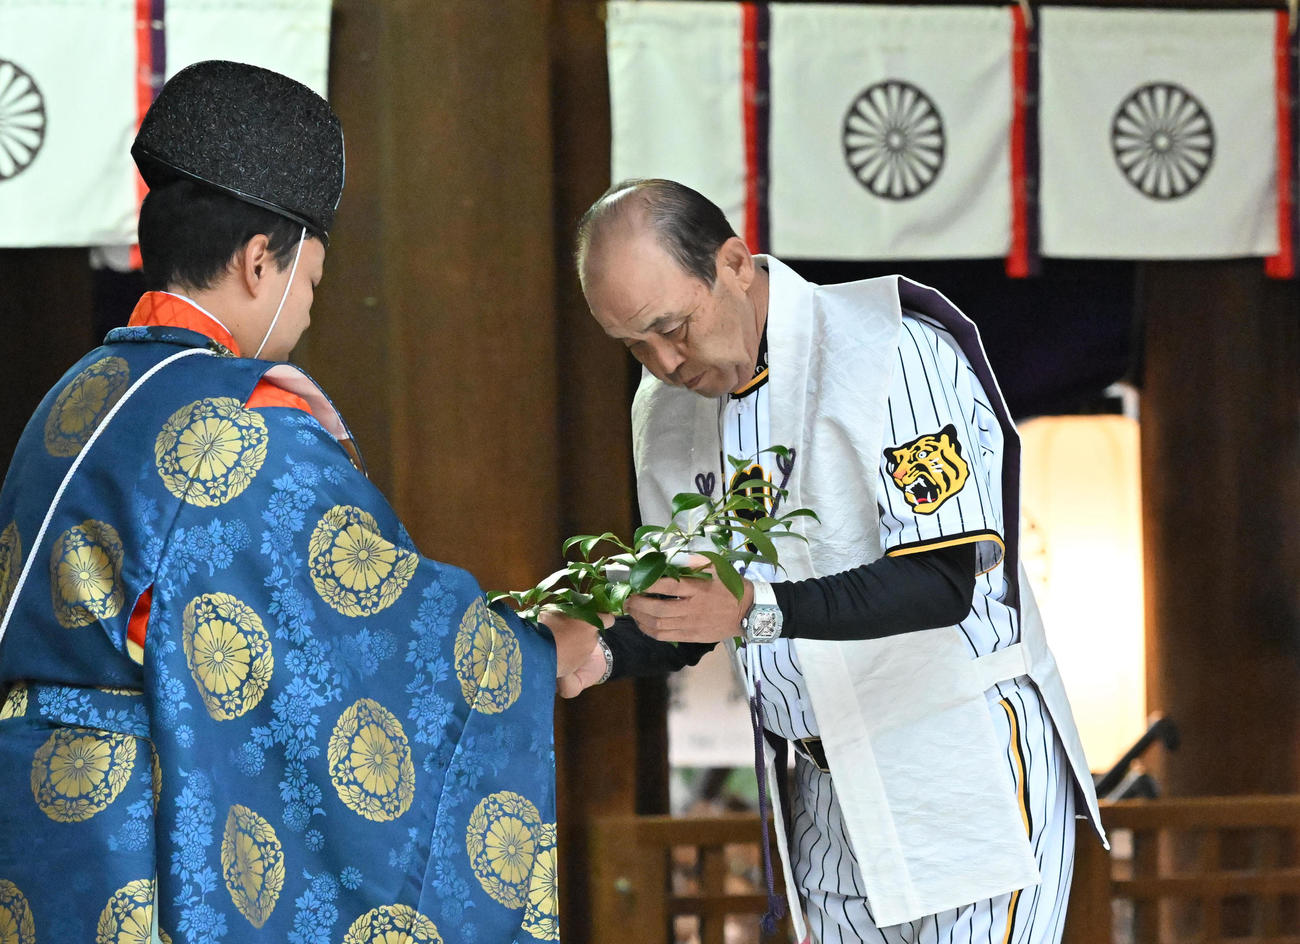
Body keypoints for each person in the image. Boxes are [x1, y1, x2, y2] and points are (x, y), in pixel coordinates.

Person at [0, 60, 591, 942]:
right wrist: (533, 654)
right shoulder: (242, 426)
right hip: (140, 834)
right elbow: (376, 626)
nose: (308, 312)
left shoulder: (79, 394)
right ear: (257, 262)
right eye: (309, 282)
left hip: (36, 822)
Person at [559, 178, 1105, 944]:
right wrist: (602, 650)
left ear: (735, 263)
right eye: (632, 345)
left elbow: (938, 581)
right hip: (824, 785)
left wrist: (754, 606)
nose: (663, 361)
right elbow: (699, 610)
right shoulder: (663, 408)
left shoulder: (887, 347)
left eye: (672, 327)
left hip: (956, 756)